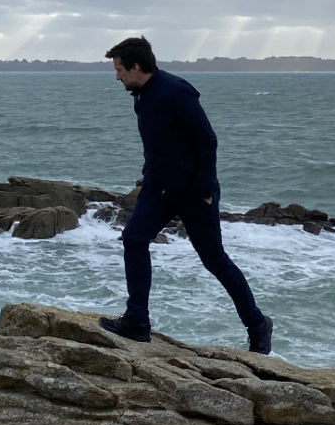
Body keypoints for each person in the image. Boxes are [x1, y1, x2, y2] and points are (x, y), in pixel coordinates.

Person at [98, 36, 273, 353]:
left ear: (137, 67)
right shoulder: (141, 94)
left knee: (214, 260)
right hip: (158, 188)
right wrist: (148, 172)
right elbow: (161, 140)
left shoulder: (176, 91)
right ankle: (137, 321)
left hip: (193, 191)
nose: (117, 76)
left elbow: (207, 139)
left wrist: (205, 188)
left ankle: (257, 323)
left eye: (120, 69)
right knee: (135, 239)